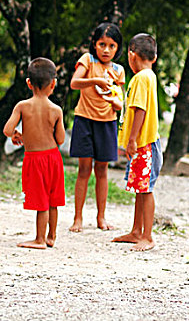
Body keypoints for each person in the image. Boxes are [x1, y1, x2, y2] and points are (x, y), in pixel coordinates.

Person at [3, 57, 66, 249]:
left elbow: (7, 129)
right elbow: (61, 139)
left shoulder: (22, 106)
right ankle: (51, 236)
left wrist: (15, 135)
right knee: (53, 200)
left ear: (28, 83)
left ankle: (39, 239)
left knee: (41, 201)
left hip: (34, 159)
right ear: (53, 84)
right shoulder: (56, 110)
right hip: (54, 158)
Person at [68, 23, 125, 232]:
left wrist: (116, 103)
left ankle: (101, 218)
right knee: (84, 170)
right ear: (94, 44)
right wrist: (95, 81)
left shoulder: (119, 70)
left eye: (111, 46)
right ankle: (78, 218)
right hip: (84, 120)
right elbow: (74, 83)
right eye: (102, 44)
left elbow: (120, 101)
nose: (106, 50)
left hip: (108, 123)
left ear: (118, 48)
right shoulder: (87, 60)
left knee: (102, 170)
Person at [112, 34, 161, 252]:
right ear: (155, 56)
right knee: (140, 188)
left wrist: (132, 139)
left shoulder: (141, 78)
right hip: (144, 143)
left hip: (145, 143)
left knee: (146, 188)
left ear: (131, 55)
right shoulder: (149, 76)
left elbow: (139, 109)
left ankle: (147, 236)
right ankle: (136, 231)